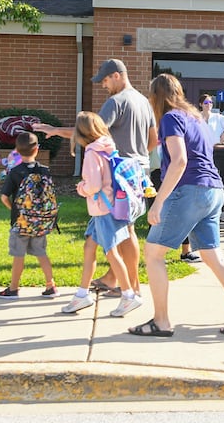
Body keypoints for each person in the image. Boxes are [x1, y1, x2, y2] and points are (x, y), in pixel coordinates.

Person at [129, 73, 224, 338]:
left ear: (157, 96)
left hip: (190, 190)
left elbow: (179, 161)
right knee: (214, 257)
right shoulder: (195, 118)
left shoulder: (171, 118)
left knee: (153, 254)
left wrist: (158, 202)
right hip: (214, 190)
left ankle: (161, 322)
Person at [34, 58, 158, 297]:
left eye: (105, 80)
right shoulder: (144, 102)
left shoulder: (116, 102)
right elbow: (153, 140)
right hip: (139, 173)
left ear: (117, 76)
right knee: (128, 228)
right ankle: (123, 282)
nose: (103, 85)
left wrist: (56, 131)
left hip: (118, 175)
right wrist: (138, 157)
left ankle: (129, 287)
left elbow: (91, 133)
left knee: (122, 231)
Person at [61, 112, 143, 317]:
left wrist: (81, 187)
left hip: (103, 210)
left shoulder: (91, 153)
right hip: (108, 207)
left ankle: (128, 296)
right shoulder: (107, 147)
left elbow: (94, 185)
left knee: (111, 252)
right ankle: (82, 294)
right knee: (89, 246)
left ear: (81, 133)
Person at [0, 132, 57, 299]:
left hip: (21, 222)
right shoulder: (45, 170)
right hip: (41, 222)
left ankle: (13, 289)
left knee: (18, 255)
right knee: (41, 252)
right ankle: (50, 286)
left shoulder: (15, 172)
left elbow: (4, 197)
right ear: (37, 149)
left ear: (17, 150)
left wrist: (14, 210)